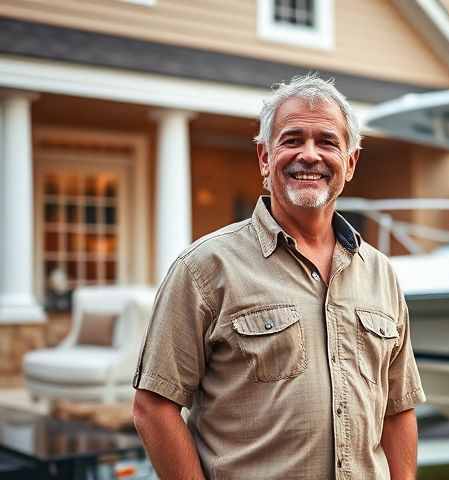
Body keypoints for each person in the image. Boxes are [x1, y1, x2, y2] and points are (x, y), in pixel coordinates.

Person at [132, 74, 426, 479]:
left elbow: (398, 408)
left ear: (351, 162)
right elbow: (154, 406)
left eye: (326, 141)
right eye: (292, 140)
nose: (310, 155)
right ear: (265, 158)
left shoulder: (380, 273)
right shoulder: (205, 268)